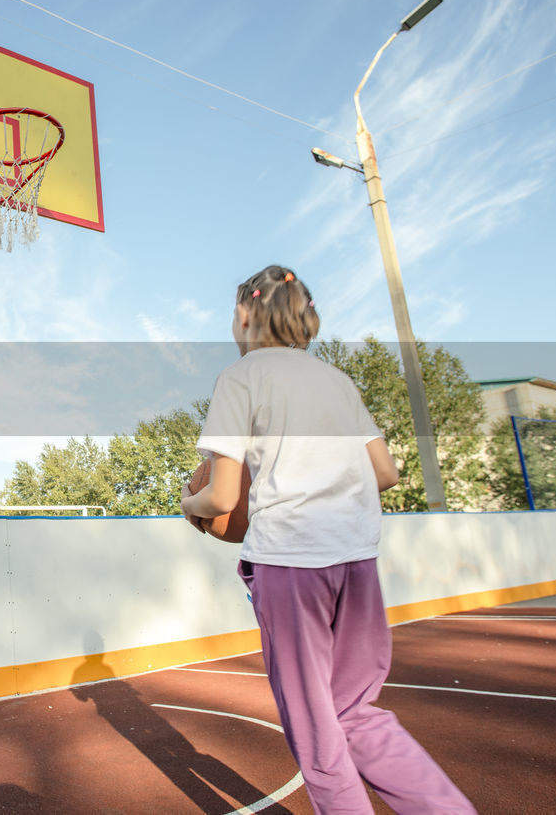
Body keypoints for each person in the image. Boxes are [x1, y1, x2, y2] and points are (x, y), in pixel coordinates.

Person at [180, 265, 475, 814]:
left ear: (245, 313)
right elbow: (385, 472)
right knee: (356, 713)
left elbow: (221, 498)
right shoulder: (337, 382)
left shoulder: (240, 378)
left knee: (316, 729)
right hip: (357, 563)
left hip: (292, 565)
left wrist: (186, 503)